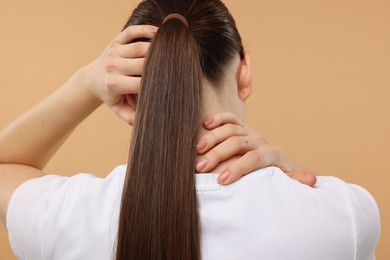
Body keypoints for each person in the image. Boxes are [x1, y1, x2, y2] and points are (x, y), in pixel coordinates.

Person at [0, 0, 379, 260]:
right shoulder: (342, 214)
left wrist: (84, 83)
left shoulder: (68, 215)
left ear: (132, 90)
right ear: (244, 72)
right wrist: (294, 176)